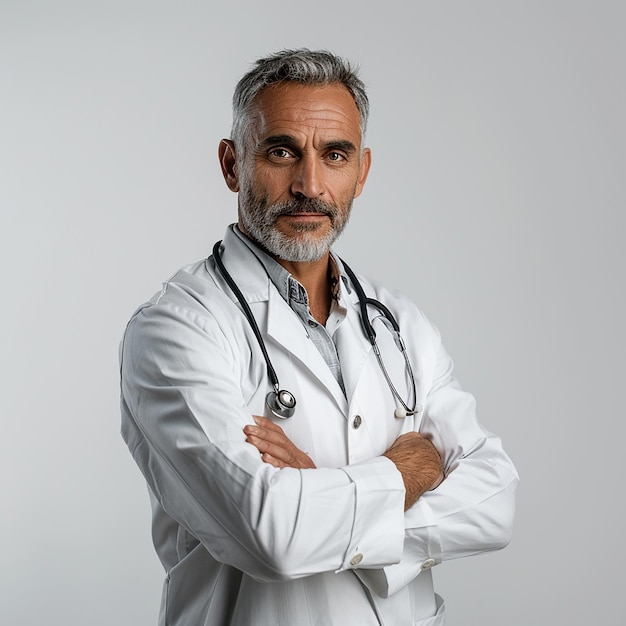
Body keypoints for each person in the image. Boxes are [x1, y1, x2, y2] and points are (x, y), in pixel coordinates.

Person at [119, 48, 518, 626]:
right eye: (281, 151)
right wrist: (409, 472)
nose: (310, 184)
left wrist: (323, 493)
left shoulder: (400, 324)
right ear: (232, 164)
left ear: (362, 171)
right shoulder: (176, 330)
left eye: (335, 155)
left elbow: (496, 501)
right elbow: (271, 536)